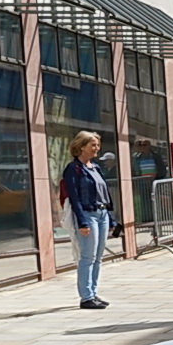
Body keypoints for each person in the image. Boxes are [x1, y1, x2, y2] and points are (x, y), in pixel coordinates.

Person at [62, 132, 112, 310]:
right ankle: (86, 297)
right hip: (87, 214)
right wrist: (82, 222)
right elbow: (74, 197)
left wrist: (111, 219)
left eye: (97, 145)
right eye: (93, 145)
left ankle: (93, 293)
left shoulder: (96, 167)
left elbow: (104, 194)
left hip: (102, 214)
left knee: (98, 257)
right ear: (81, 146)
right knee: (87, 256)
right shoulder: (73, 169)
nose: (97, 148)